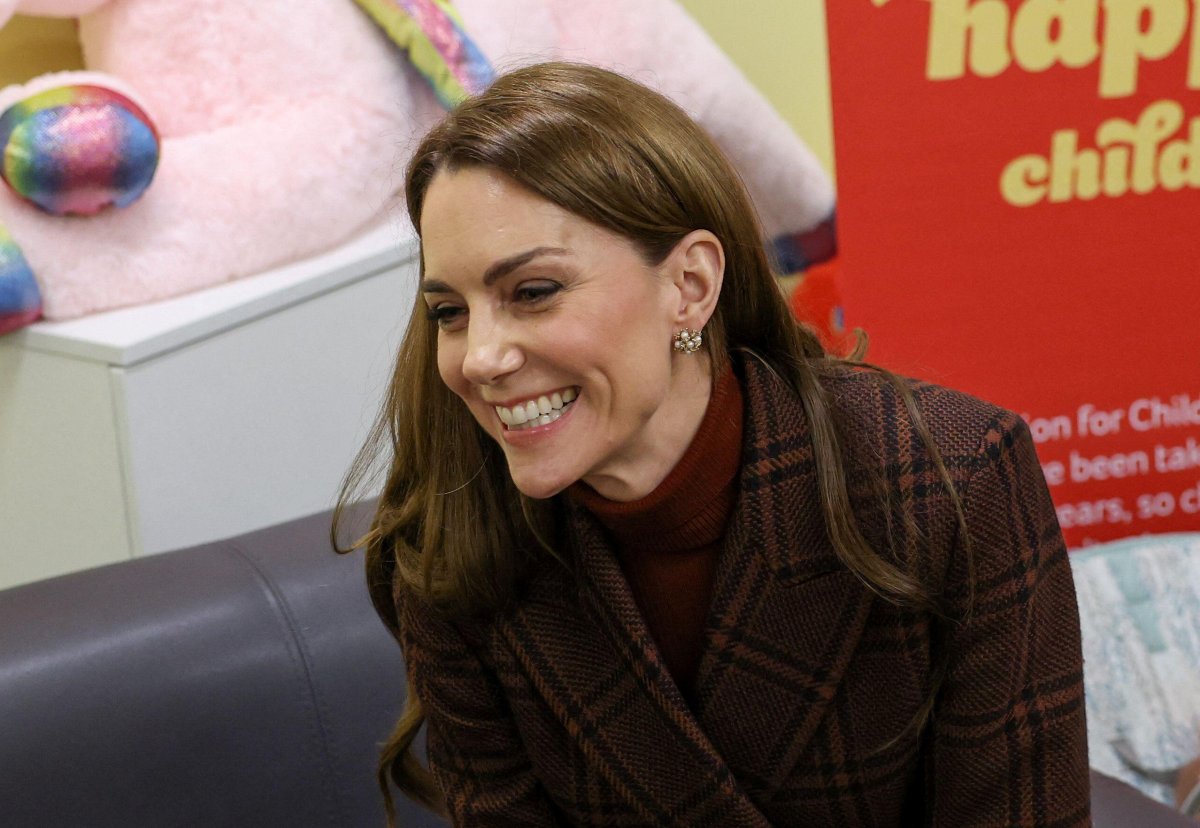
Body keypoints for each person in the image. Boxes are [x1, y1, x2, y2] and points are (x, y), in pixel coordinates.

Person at [336, 61, 1090, 826]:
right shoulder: (449, 545)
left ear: (689, 285)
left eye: (533, 292)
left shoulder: (952, 477)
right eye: (450, 313)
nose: (480, 357)